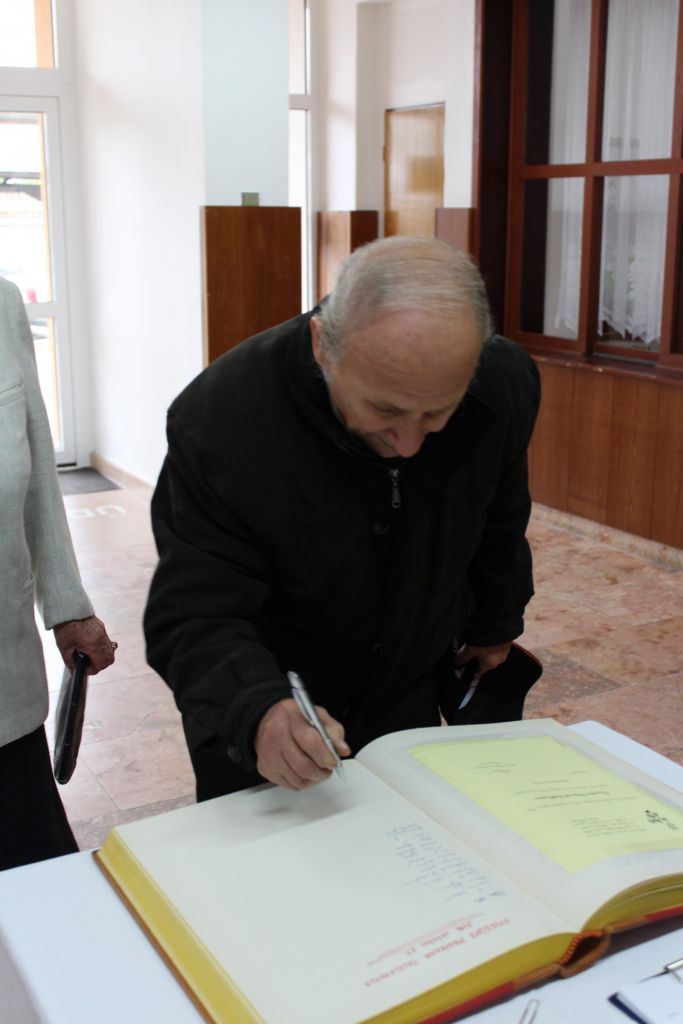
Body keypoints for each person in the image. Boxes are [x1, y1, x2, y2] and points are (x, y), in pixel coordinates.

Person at [144, 237, 540, 800]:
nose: (407, 444)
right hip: (275, 705)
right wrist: (256, 709)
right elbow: (195, 610)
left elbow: (500, 510)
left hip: (406, 687)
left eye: (437, 414)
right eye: (384, 410)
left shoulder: (503, 383)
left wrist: (494, 622)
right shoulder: (222, 421)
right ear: (322, 345)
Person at [0, 275, 116, 871]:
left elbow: (38, 466)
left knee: (38, 873)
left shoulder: (2, 303)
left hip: (5, 682)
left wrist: (68, 605)